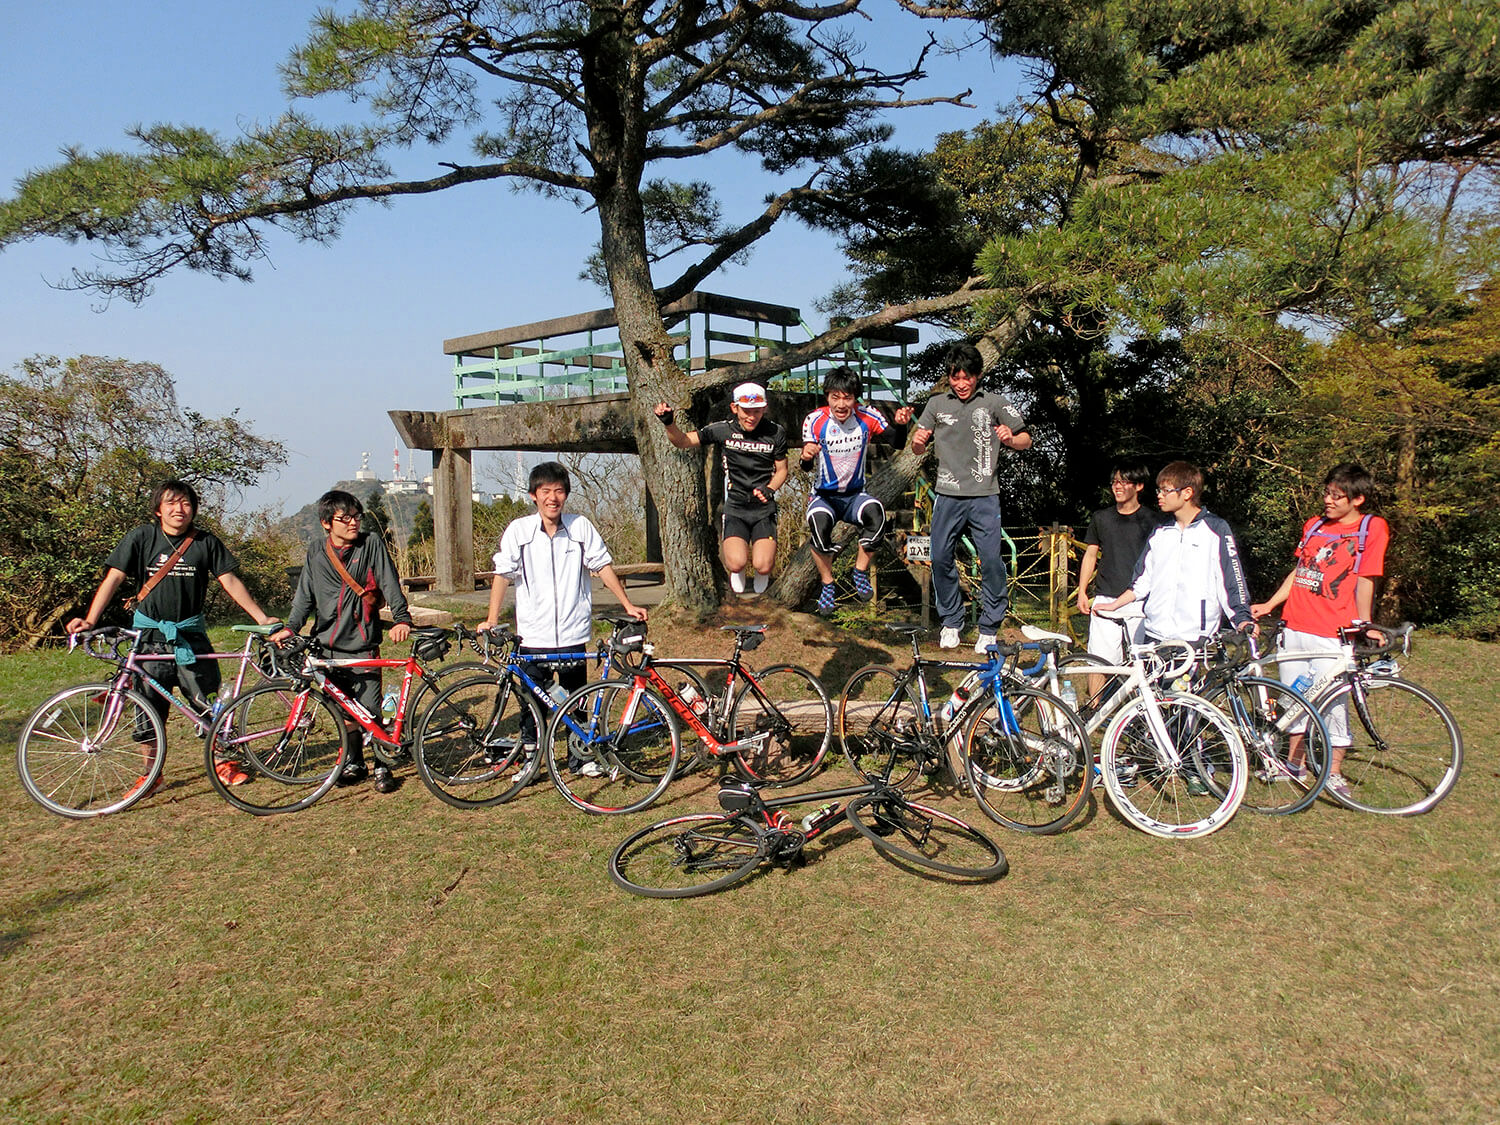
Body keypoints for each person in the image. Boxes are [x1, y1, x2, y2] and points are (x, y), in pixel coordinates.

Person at [66, 479, 281, 795]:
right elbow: (114, 578)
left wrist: (262, 618)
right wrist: (90, 619)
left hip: (191, 637)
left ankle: (223, 762)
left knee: (209, 704)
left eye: (186, 503)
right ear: (158, 509)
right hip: (148, 639)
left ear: (193, 509)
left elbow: (230, 581)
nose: (179, 509)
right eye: (171, 503)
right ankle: (151, 775)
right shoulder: (142, 537)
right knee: (147, 710)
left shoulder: (205, 542)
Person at [478, 461, 649, 777]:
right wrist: (491, 618)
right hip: (532, 635)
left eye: (558, 491)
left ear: (566, 495)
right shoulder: (519, 531)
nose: (552, 498)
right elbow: (502, 574)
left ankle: (580, 759)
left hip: (572, 632)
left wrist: (627, 604)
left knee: (575, 699)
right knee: (533, 704)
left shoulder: (580, 527)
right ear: (533, 495)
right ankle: (531, 762)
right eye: (545, 491)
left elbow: (602, 566)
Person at [1250, 463, 1389, 799]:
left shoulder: (1372, 528)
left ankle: (1333, 771)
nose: (1328, 500)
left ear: (1357, 499)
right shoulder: (1314, 525)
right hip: (1295, 625)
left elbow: (1367, 577)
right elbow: (1300, 570)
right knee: (1294, 696)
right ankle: (1293, 763)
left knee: (1333, 702)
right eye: (1326, 492)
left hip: (1333, 630)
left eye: (1336, 496)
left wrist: (1364, 622)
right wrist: (1270, 605)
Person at [274, 490, 414, 794]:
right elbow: (304, 597)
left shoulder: (370, 544)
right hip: (325, 644)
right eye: (344, 518)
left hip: (362, 641)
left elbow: (390, 581)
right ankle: (354, 762)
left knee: (368, 708)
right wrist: (290, 627)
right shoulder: (316, 551)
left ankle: (381, 765)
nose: (353, 523)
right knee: (341, 707)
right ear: (327, 523)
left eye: (356, 516)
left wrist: (402, 618)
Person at [909, 343, 1032, 652]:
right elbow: (917, 448)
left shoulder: (994, 403)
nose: (961, 384)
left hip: (984, 495)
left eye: (967, 377)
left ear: (977, 376)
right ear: (949, 377)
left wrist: (1010, 438)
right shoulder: (936, 404)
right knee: (939, 556)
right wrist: (919, 441)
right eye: (955, 377)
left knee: (990, 558)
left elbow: (1026, 440)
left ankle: (989, 625)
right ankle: (952, 621)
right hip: (947, 494)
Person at [1093, 461, 1255, 643]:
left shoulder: (1216, 529)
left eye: (1166, 491)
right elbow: (1142, 581)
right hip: (1154, 634)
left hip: (1194, 637)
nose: (1159, 496)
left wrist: (1242, 619)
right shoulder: (1160, 531)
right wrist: (1114, 605)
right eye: (1158, 491)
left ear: (1187, 493)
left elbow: (1231, 581)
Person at [798, 366, 913, 614]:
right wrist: (806, 456)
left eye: (847, 397)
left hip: (854, 496)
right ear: (827, 396)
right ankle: (827, 583)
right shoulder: (815, 420)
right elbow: (805, 465)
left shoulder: (867, 416)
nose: (841, 404)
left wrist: (901, 425)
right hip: (824, 497)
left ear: (855, 398)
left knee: (877, 515)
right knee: (819, 529)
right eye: (835, 397)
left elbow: (897, 442)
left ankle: (859, 572)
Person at [654, 382, 788, 595]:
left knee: (764, 565)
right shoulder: (724, 429)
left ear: (764, 409)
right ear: (735, 408)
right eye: (746, 412)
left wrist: (770, 489)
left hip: (763, 508)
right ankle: (737, 570)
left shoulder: (776, 432)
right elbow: (683, 441)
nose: (751, 417)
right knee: (736, 563)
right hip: (736, 507)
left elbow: (782, 470)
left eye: (756, 411)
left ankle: (763, 571)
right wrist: (669, 423)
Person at [1075, 463, 1159, 673]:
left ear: (1139, 486)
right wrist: (1082, 592)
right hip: (1105, 597)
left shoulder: (1154, 521)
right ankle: (1096, 706)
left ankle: (1142, 705)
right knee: (1098, 663)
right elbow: (1091, 554)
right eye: (1114, 482)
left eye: (1123, 482)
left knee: (1143, 664)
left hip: (1141, 601)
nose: (1117, 486)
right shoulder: (1101, 518)